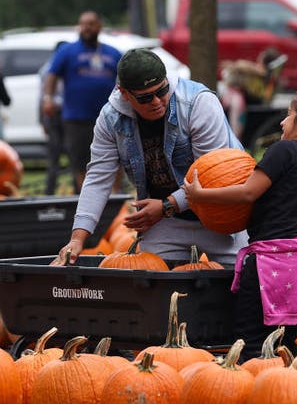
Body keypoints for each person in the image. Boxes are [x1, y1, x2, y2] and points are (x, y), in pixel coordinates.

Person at [182, 89, 297, 361]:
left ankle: (258, 387)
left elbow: (248, 192)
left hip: (271, 261)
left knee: (251, 338)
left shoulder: (283, 150)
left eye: (289, 115)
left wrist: (200, 196)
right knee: (284, 337)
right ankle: (288, 385)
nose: (283, 122)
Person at [51, 48, 248, 267]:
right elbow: (98, 178)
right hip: (166, 221)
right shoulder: (110, 120)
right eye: (145, 97)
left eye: (161, 90)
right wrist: (77, 239)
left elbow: (213, 179)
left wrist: (167, 205)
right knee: (156, 287)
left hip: (222, 215)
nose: (156, 101)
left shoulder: (198, 104)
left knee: (237, 284)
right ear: (124, 93)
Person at [42, 11, 122, 191]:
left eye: (91, 23)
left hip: (109, 117)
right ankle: (88, 197)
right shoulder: (67, 51)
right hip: (77, 117)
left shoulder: (113, 52)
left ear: (99, 27)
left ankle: (116, 198)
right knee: (81, 160)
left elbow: (125, 78)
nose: (86, 27)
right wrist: (48, 98)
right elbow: (52, 75)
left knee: (115, 157)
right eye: (83, 23)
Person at [39, 42, 69, 195]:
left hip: (58, 113)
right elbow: (43, 96)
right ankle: (50, 191)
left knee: (56, 155)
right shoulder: (50, 69)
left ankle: (50, 191)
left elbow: (41, 97)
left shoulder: (46, 68)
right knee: (62, 154)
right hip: (60, 113)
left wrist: (41, 118)